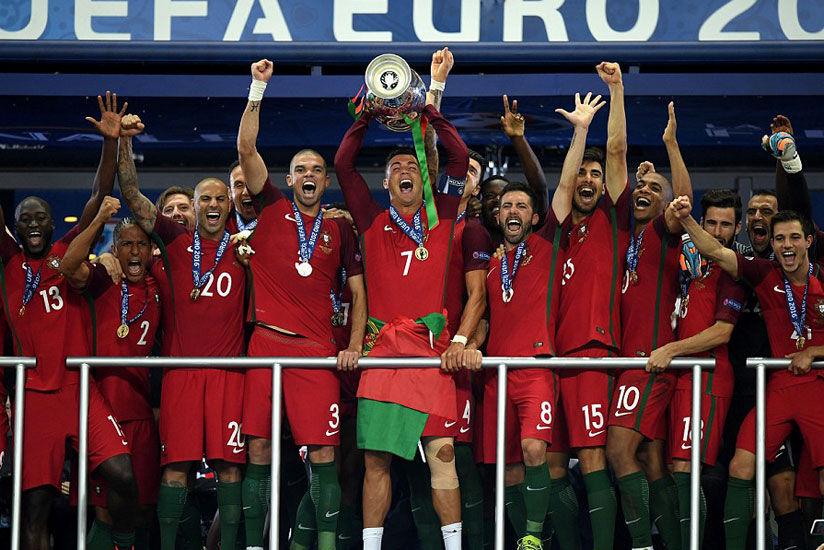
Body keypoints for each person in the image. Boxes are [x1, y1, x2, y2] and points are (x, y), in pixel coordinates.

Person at [335, 46, 471, 550]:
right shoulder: (371, 222)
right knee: (375, 462)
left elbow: (457, 155)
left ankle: (453, 545)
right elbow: (344, 164)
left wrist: (423, 108)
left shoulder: (445, 216)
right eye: (393, 167)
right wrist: (367, 113)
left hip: (430, 354)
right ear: (387, 182)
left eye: (410, 162)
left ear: (422, 178)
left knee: (442, 455)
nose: (402, 170)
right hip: (383, 353)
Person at [236, 58, 367, 550]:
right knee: (259, 449)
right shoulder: (269, 207)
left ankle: (326, 545)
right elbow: (246, 147)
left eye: (317, 170)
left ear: (326, 182)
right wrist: (257, 88)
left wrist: (353, 346)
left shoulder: (339, 229)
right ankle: (253, 544)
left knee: (324, 454)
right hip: (266, 345)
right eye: (301, 170)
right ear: (288, 180)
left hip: (316, 353)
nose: (309, 175)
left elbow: (359, 293)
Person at [0, 92, 139, 550]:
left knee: (123, 474)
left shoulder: (66, 253)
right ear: (17, 228)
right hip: (35, 396)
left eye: (41, 217)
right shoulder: (8, 265)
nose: (35, 224)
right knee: (36, 509)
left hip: (80, 389)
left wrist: (109, 144)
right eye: (27, 219)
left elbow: (99, 194)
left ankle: (120, 541)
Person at [116, 114, 247, 550]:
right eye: (204, 197)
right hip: (180, 377)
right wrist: (123, 144)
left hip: (229, 375)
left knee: (230, 470)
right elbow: (132, 196)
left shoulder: (247, 247)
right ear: (193, 205)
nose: (212, 204)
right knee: (177, 469)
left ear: (228, 205)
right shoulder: (172, 244)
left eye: (219, 198)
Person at [481, 91, 604, 550]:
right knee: (509, 467)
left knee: (536, 452)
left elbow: (567, 186)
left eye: (521, 207)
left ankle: (533, 539)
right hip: (495, 373)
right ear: (498, 216)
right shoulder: (492, 264)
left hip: (535, 370)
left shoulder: (549, 247)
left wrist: (581, 130)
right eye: (506, 207)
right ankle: (532, 535)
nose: (513, 211)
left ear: (535, 217)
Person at [670, 200, 824, 550]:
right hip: (780, 387)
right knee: (741, 465)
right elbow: (715, 250)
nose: (787, 245)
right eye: (780, 238)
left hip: (819, 386)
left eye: (794, 237)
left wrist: (814, 352)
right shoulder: (764, 272)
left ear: (808, 241)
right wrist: (686, 221)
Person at [605, 102, 694, 550]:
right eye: (641, 183)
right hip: (625, 361)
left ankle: (641, 544)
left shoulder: (663, 230)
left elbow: (683, 201)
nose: (644, 189)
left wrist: (671, 145)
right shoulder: (624, 234)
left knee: (618, 452)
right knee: (649, 458)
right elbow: (616, 165)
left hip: (650, 359)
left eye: (653, 188)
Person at [552, 61, 630, 550]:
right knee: (553, 463)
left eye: (595, 174)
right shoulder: (555, 226)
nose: (586, 179)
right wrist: (578, 137)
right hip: (549, 359)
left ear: (604, 184)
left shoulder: (613, 221)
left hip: (593, 353)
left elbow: (618, 149)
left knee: (594, 456)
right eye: (582, 171)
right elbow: (560, 185)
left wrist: (616, 90)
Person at [59, 197, 162, 550]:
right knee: (105, 508)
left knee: (144, 507)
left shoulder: (160, 284)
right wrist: (100, 222)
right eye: (127, 244)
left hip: (142, 411)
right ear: (115, 249)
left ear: (152, 250)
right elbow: (69, 265)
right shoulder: (104, 278)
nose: (135, 252)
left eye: (141, 244)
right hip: (103, 406)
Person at [646, 189, 747, 548]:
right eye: (712, 223)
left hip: (707, 377)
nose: (718, 232)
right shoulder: (686, 261)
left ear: (738, 230)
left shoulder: (733, 270)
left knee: (685, 470)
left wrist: (671, 349)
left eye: (726, 225)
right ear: (700, 224)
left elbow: (722, 332)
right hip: (674, 376)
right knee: (660, 465)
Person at [226, 161, 258, 233]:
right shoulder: (218, 223)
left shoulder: (280, 222)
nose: (246, 192)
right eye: (239, 185)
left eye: (251, 183)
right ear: (229, 193)